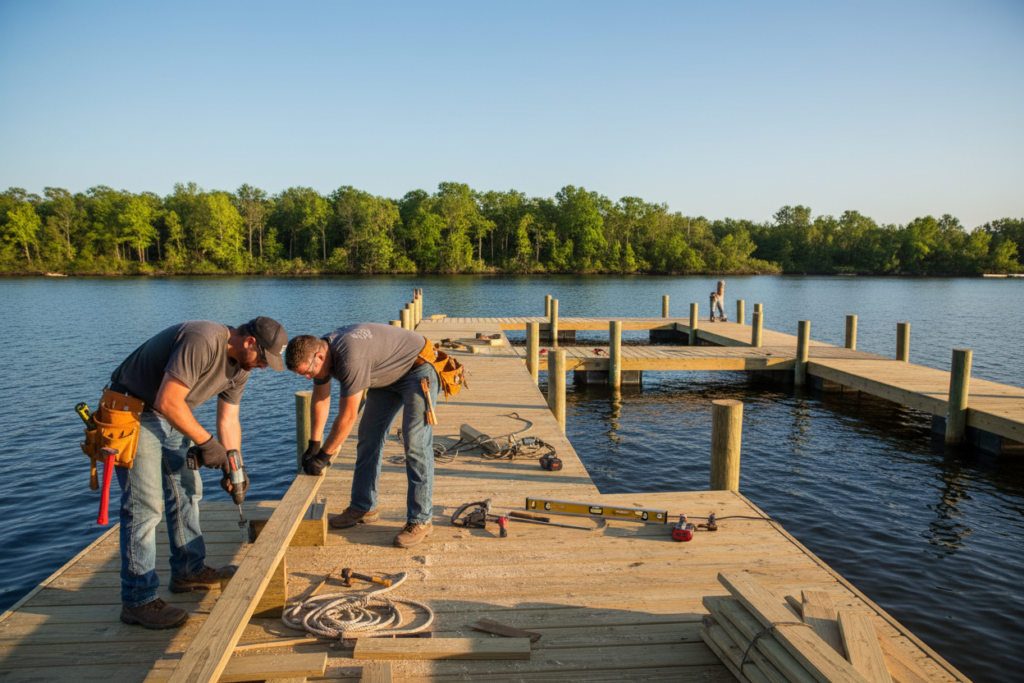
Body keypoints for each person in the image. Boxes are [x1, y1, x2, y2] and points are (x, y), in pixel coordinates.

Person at [104, 317, 287, 629]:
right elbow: (167, 399)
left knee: (188, 491)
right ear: (249, 342)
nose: (263, 367)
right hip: (133, 410)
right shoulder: (203, 338)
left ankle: (189, 570)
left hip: (170, 415)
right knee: (145, 507)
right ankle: (138, 600)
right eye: (263, 359)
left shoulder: (241, 368)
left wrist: (235, 468)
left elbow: (229, 420)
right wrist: (206, 443)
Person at [285, 323, 439, 549]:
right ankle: (363, 505)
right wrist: (314, 445)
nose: (308, 377)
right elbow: (320, 398)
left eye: (308, 372)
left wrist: (323, 457)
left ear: (319, 356)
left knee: (415, 443)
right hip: (384, 376)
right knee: (368, 438)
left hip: (417, 369)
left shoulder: (349, 359)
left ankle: (421, 519)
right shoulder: (322, 354)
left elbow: (347, 417)